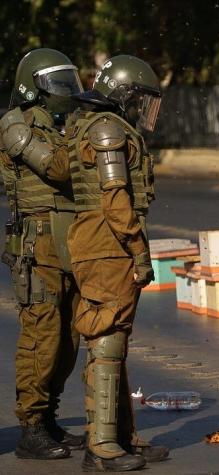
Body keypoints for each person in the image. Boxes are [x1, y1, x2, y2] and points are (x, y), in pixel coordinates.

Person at [66, 55, 169, 472]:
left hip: (105, 242)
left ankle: (120, 438)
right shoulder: (108, 130)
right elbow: (115, 199)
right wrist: (137, 248)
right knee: (107, 339)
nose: (143, 110)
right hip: (107, 244)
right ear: (122, 93)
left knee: (115, 342)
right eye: (139, 99)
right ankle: (103, 445)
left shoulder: (98, 126)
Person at [0, 48, 84, 461]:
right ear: (33, 87)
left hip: (69, 239)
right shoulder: (15, 126)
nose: (68, 92)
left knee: (69, 334)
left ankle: (49, 416)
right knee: (43, 333)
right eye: (60, 83)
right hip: (38, 243)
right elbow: (56, 169)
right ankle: (30, 425)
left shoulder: (65, 124)